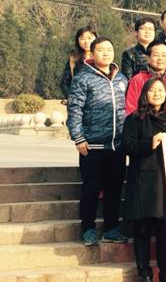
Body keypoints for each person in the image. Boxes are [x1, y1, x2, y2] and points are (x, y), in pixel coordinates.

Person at [66, 37, 128, 247]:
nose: (106, 53)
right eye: (101, 50)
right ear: (92, 54)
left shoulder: (121, 78)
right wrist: (78, 137)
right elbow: (74, 109)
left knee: (114, 190)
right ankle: (88, 229)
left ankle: (111, 229)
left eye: (109, 49)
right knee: (91, 189)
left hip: (117, 146)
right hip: (92, 146)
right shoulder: (83, 78)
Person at [122, 77, 166, 282]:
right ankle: (144, 274)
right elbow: (127, 146)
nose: (157, 94)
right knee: (142, 230)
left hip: (164, 182)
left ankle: (165, 274)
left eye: (161, 90)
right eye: (153, 90)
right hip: (142, 182)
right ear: (145, 93)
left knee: (165, 232)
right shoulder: (134, 119)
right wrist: (150, 144)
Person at [126, 41, 166, 133]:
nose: (160, 58)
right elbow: (131, 108)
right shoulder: (138, 80)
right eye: (156, 55)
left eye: (164, 55)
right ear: (148, 58)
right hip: (145, 132)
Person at [60, 26, 97, 99]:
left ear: (96, 39)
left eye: (89, 38)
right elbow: (64, 83)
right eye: (82, 39)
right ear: (78, 40)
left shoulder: (102, 57)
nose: (86, 42)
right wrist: (72, 98)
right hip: (79, 101)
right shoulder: (73, 59)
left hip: (98, 101)